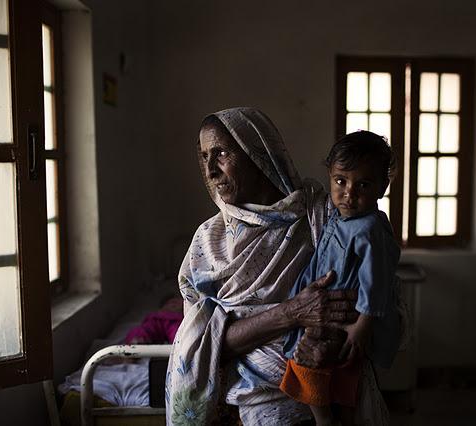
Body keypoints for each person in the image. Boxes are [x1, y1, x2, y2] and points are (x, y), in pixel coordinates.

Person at [166, 108, 391, 425]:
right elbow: (203, 343)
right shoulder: (208, 242)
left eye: (221, 154)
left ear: (257, 153)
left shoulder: (324, 216)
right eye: (204, 157)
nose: (210, 170)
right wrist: (292, 313)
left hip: (332, 395)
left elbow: (379, 290)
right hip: (247, 408)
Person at [280, 131, 401, 425]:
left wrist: (363, 325)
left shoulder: (369, 228)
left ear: (382, 187)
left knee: (309, 361)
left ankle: (324, 421)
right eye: (340, 181)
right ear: (330, 177)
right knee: (342, 374)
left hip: (347, 318)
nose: (349, 192)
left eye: (363, 184)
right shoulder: (337, 217)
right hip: (325, 311)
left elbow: (378, 281)